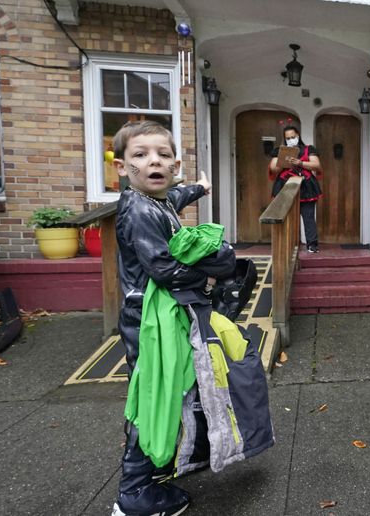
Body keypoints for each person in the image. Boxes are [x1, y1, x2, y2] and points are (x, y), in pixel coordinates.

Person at [111, 120, 233, 516]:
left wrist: (200, 187)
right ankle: (133, 493)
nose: (153, 161)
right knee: (154, 394)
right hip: (146, 321)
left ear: (175, 165)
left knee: (176, 386)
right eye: (141, 155)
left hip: (163, 314)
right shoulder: (140, 210)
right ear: (121, 167)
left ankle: (161, 460)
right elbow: (165, 269)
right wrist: (214, 274)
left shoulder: (158, 199)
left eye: (163, 155)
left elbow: (176, 196)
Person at [269, 125, 322, 253]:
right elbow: (273, 168)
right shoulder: (279, 150)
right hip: (284, 187)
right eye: (288, 138)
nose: (291, 140)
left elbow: (317, 165)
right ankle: (287, 244)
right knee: (286, 217)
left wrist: (300, 163)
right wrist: (284, 161)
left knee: (308, 216)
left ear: (298, 135)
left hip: (306, 187)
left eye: (293, 137)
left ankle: (312, 244)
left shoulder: (308, 149)